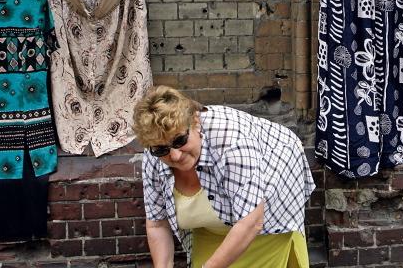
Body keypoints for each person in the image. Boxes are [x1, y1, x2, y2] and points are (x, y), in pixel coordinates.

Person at [133, 85, 315, 268]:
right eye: (162, 150)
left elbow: (251, 222)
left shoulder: (232, 143)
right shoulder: (155, 151)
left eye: (180, 140)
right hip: (213, 230)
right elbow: (157, 224)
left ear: (195, 122)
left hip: (266, 221)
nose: (175, 156)